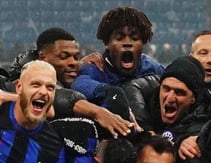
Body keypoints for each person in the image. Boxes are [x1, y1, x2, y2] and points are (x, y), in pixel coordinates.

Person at [7, 27, 135, 138]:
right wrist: (99, 113)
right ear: (43, 58)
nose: (73, 62)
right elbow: (58, 95)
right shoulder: (24, 80)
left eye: (76, 57)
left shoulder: (75, 74)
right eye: (64, 56)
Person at [71, 6, 164, 126]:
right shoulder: (96, 68)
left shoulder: (152, 68)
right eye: (119, 38)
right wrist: (108, 91)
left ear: (143, 43)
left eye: (134, 38)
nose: (127, 43)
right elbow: (79, 84)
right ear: (107, 44)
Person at [142, 55, 211, 141]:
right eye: (166, 89)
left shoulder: (204, 131)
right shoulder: (145, 111)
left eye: (179, 93)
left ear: (193, 99)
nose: (170, 98)